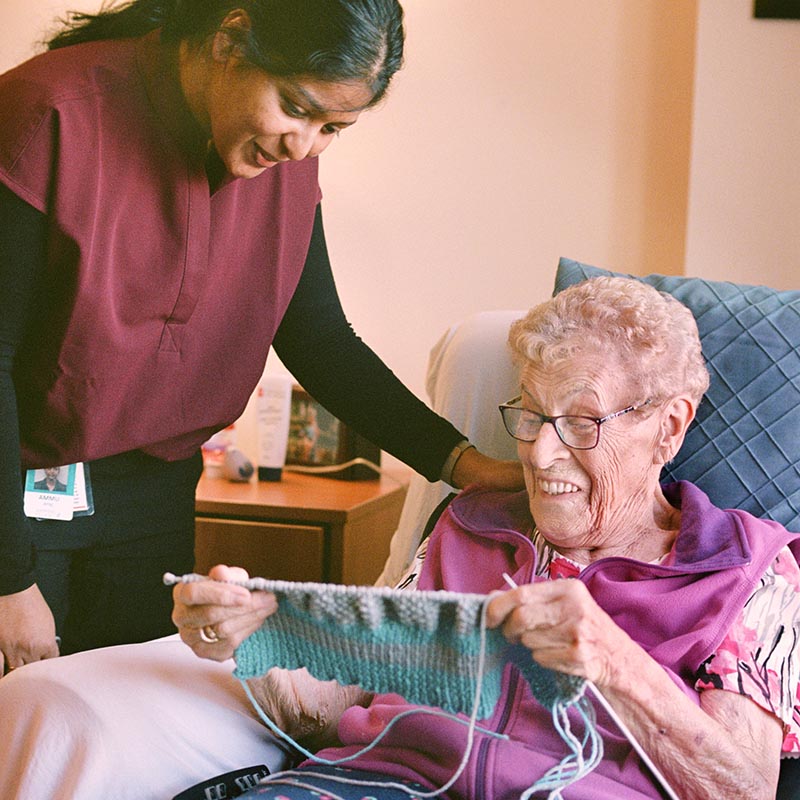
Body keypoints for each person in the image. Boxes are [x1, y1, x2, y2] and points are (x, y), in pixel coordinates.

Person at [0, 0, 522, 672]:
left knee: (121, 732)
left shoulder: (284, 162)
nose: (304, 145)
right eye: (296, 107)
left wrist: (460, 463)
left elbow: (320, 338)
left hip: (151, 497)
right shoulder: (48, 114)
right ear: (230, 39)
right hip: (15, 496)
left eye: (334, 127)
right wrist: (9, 578)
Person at [167, 276, 800, 799]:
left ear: (669, 426)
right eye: (531, 415)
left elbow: (741, 788)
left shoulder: (749, 574)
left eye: (581, 422)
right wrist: (252, 640)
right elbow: (340, 704)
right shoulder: (471, 522)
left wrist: (613, 662)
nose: (541, 454)